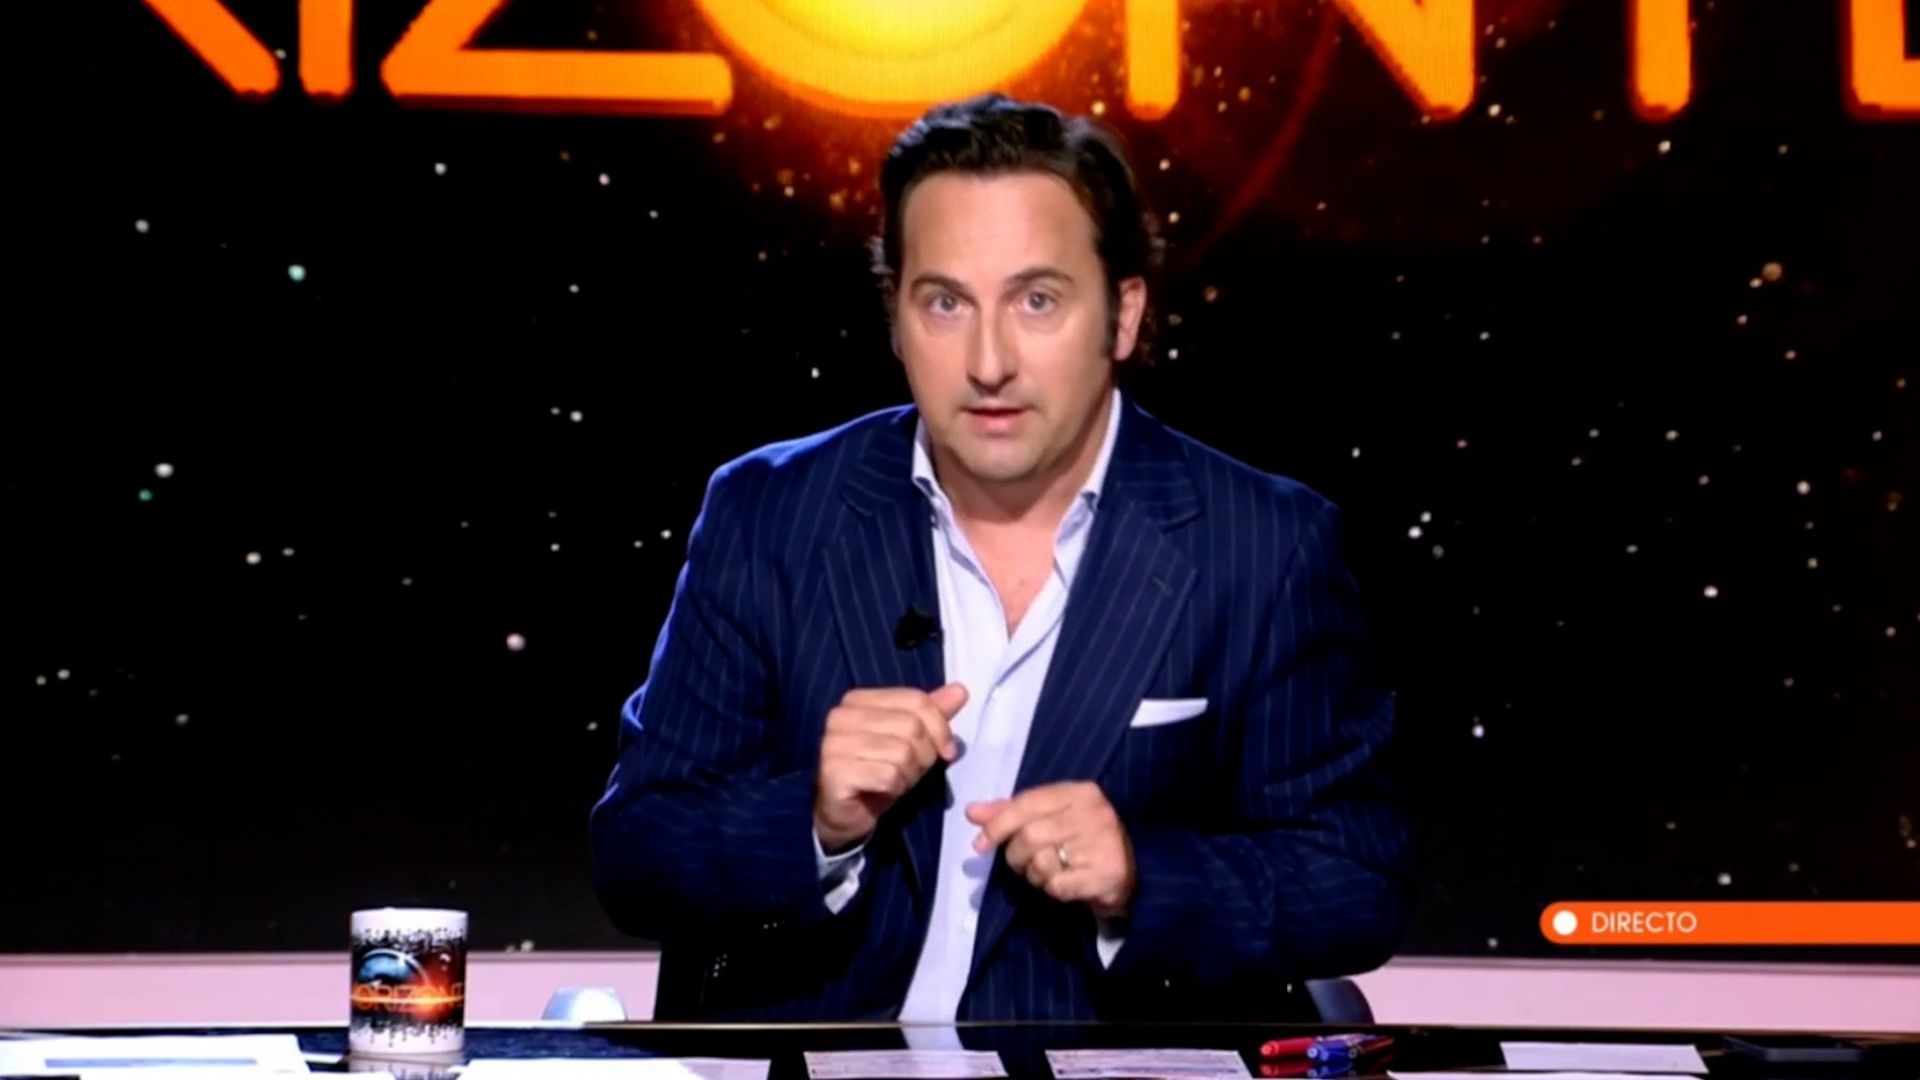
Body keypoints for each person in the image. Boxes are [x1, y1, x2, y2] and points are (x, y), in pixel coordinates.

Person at [589, 93, 1408, 1023]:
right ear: (897, 319)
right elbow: (636, 852)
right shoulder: (771, 514)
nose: (988, 362)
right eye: (945, 303)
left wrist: (1144, 876)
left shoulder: (1262, 546)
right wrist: (813, 821)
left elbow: (1356, 881)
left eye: (1037, 301)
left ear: (1124, 315)